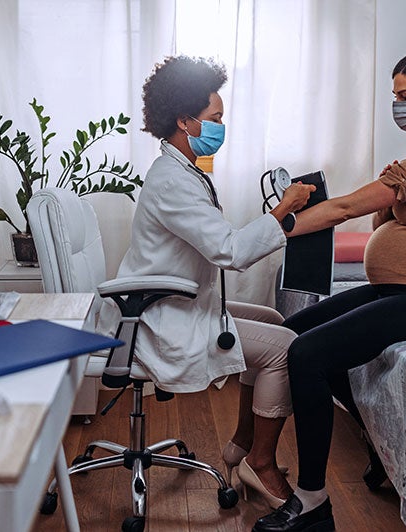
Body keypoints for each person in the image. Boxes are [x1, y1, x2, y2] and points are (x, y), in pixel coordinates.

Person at [253, 48, 406, 532]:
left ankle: (313, 500)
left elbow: (344, 209)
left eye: (405, 96)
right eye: (394, 96)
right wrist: (392, 198)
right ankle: (381, 447)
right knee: (290, 333)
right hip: (403, 289)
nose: (398, 106)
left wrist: (276, 225)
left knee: (308, 355)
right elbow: (389, 219)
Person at [105, 56, 315, 508]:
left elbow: (219, 244)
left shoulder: (183, 171)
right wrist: (283, 210)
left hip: (170, 302)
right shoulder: (172, 181)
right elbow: (230, 252)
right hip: (158, 316)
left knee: (275, 319)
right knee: (285, 348)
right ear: (184, 121)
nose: (222, 126)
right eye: (215, 118)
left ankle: (241, 444)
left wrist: (278, 217)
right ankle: (259, 463)